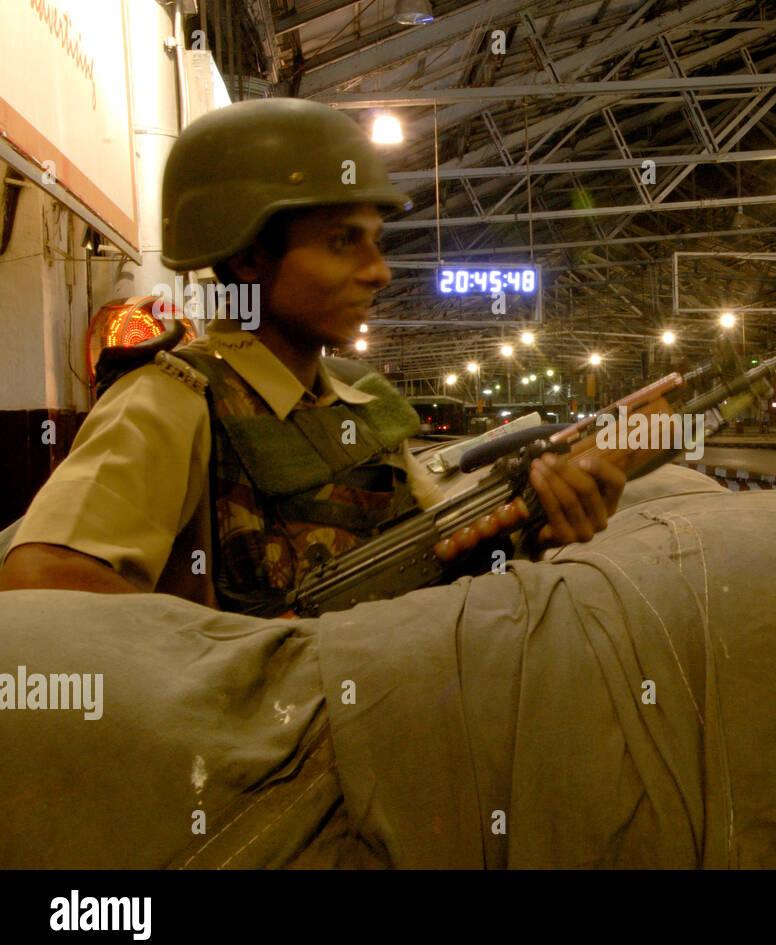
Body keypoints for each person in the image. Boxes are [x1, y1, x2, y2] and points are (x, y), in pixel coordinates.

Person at [0, 98, 625, 613]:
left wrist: (532, 530)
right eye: (340, 242)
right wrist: (260, 662)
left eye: (375, 243)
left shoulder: (364, 401)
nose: (378, 272)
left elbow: (437, 558)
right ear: (247, 257)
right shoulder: (171, 402)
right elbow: (39, 583)